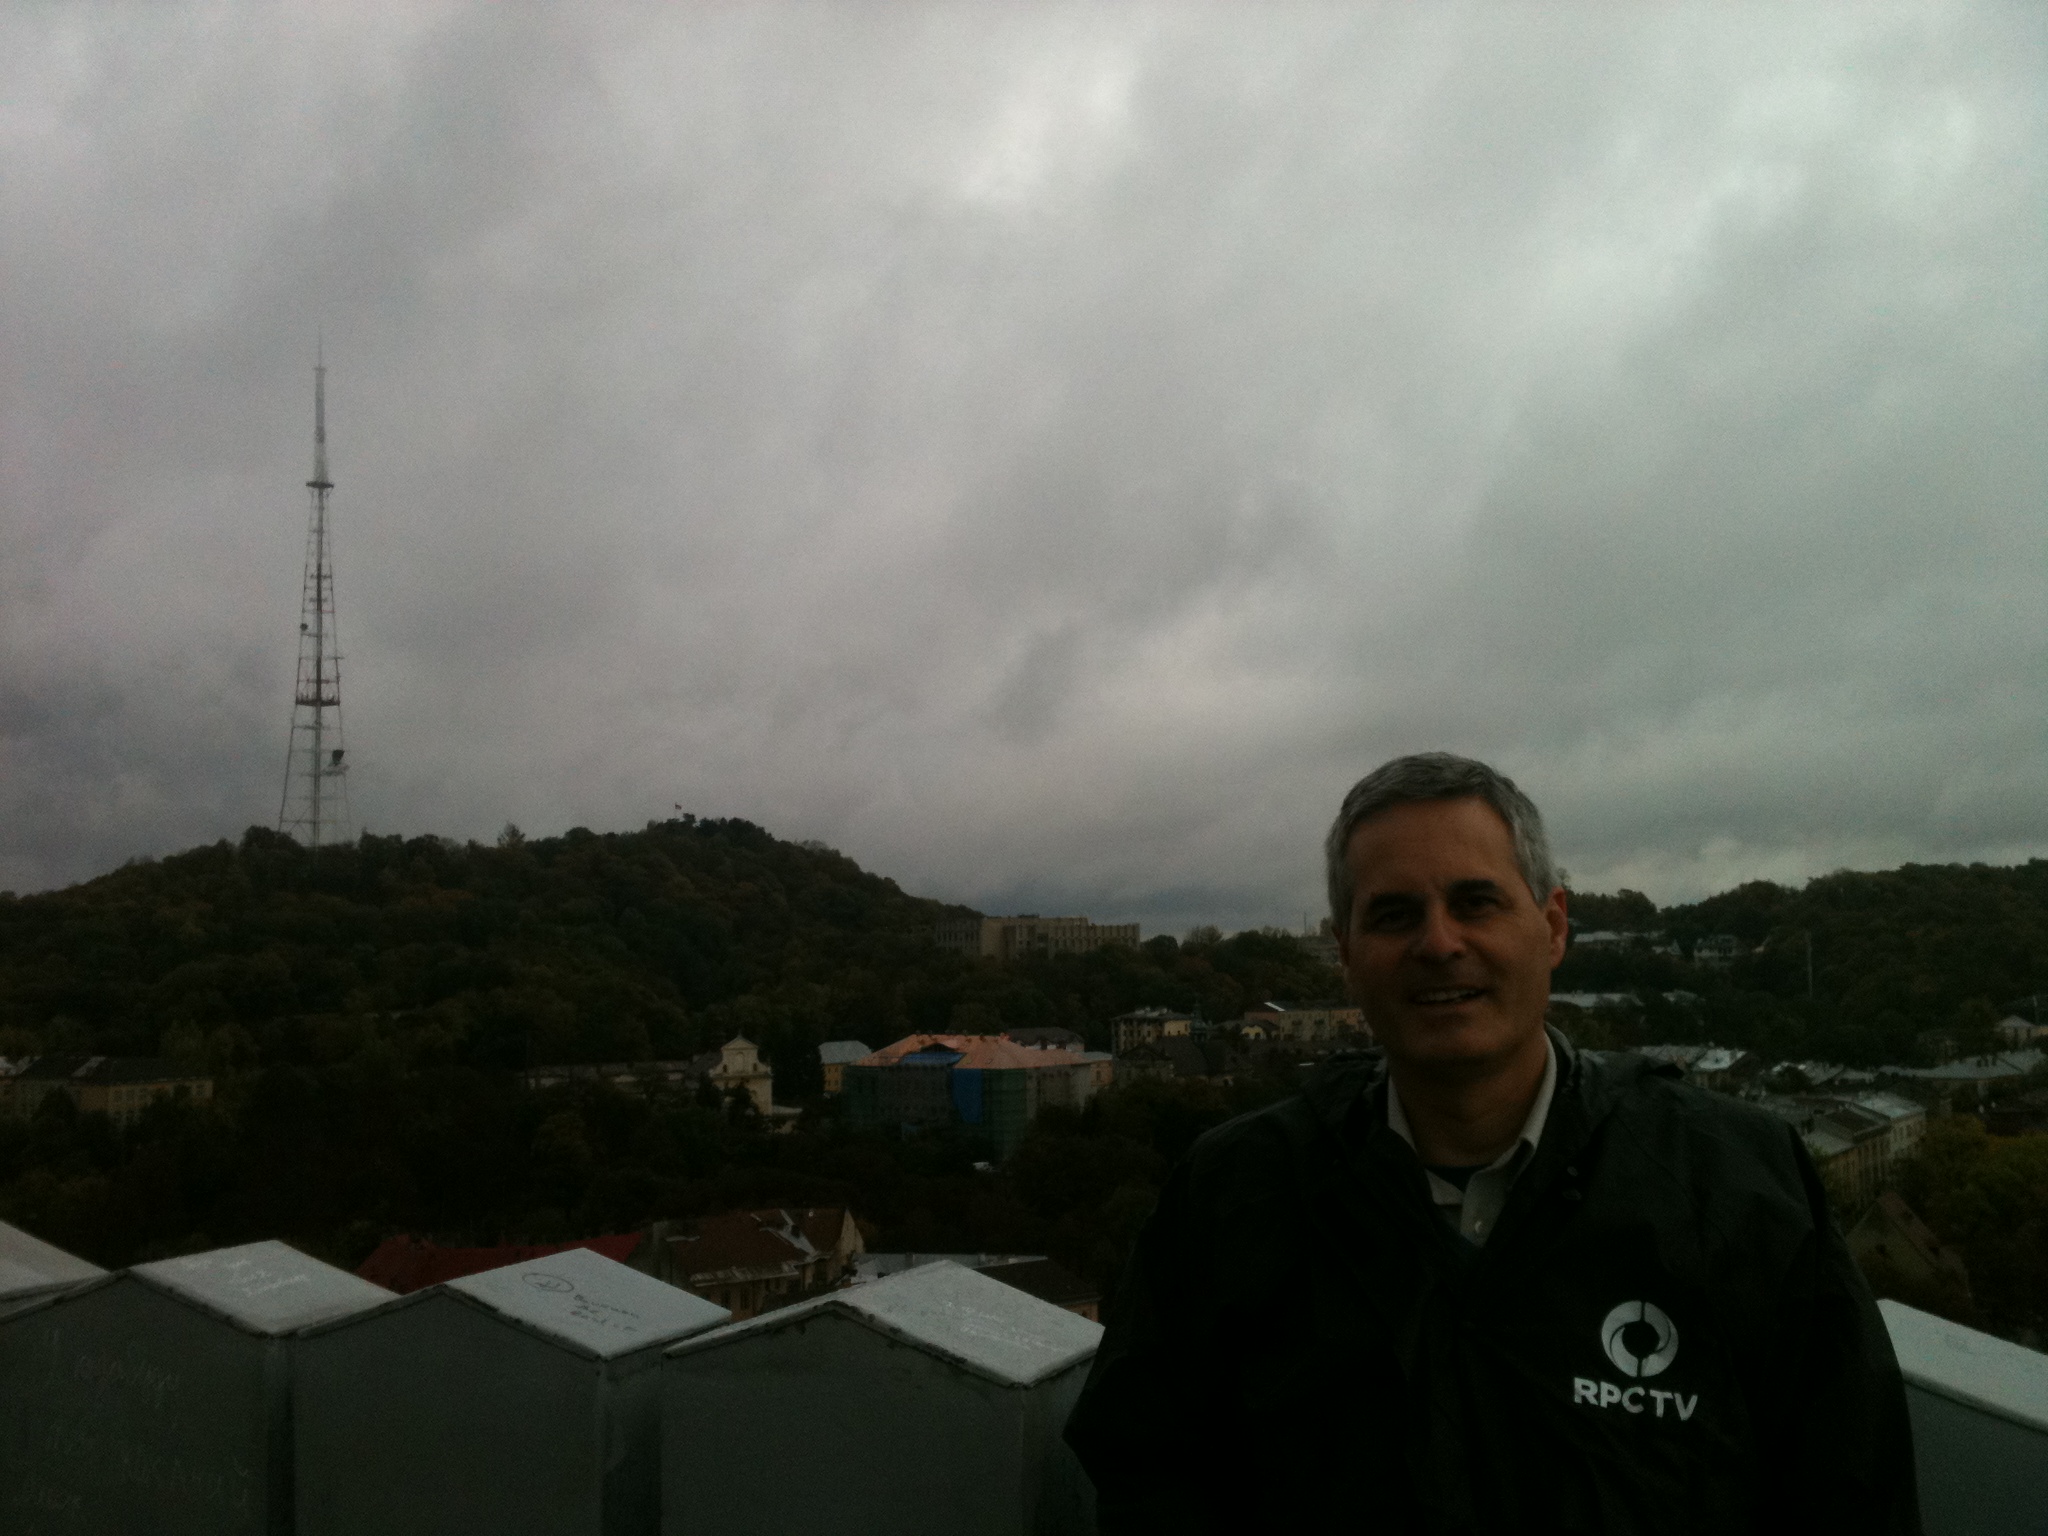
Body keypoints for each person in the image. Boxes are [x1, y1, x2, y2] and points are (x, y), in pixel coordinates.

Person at [1063, 752, 1920, 1533]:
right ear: (1346, 955)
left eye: (1476, 902)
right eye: (1395, 915)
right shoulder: (1235, 1195)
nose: (1439, 944)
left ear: (1553, 926)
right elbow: (1149, 1478)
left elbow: (1851, 1497)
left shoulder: (1737, 1188)